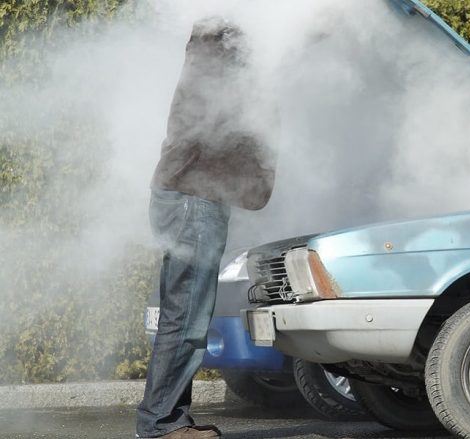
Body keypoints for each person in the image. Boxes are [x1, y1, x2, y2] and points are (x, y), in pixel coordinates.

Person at [136, 17, 275, 439]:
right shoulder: (222, 42)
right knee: (186, 321)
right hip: (195, 202)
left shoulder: (212, 43)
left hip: (190, 197)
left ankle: (168, 419)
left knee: (183, 318)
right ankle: (161, 424)